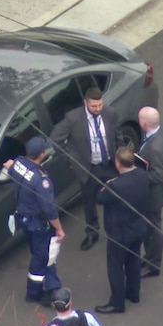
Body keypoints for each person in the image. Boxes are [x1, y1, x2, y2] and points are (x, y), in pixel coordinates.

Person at [50, 86, 122, 251]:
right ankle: (92, 231)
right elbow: (55, 139)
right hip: (88, 168)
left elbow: (117, 136)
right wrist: (70, 160)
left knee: (117, 197)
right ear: (85, 103)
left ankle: (117, 230)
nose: (97, 110)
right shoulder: (73, 118)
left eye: (99, 105)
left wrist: (121, 157)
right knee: (89, 202)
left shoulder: (110, 114)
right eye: (93, 106)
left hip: (110, 164)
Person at [3, 136, 66, 303]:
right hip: (39, 224)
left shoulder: (18, 163)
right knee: (41, 257)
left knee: (42, 253)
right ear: (42, 154)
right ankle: (34, 293)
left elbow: (9, 166)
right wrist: (59, 229)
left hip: (25, 220)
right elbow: (49, 209)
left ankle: (52, 284)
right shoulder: (41, 180)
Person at [95, 147, 150, 314]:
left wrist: (107, 185)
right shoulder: (142, 174)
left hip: (119, 233)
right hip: (138, 227)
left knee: (116, 267)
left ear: (118, 164)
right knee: (133, 260)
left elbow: (100, 198)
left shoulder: (115, 186)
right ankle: (134, 293)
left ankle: (117, 302)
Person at [136, 106, 163, 278]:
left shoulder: (156, 148)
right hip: (153, 192)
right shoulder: (162, 131)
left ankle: (153, 264)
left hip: (153, 196)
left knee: (152, 229)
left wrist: (137, 176)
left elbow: (157, 175)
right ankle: (150, 257)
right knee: (149, 228)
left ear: (144, 123)